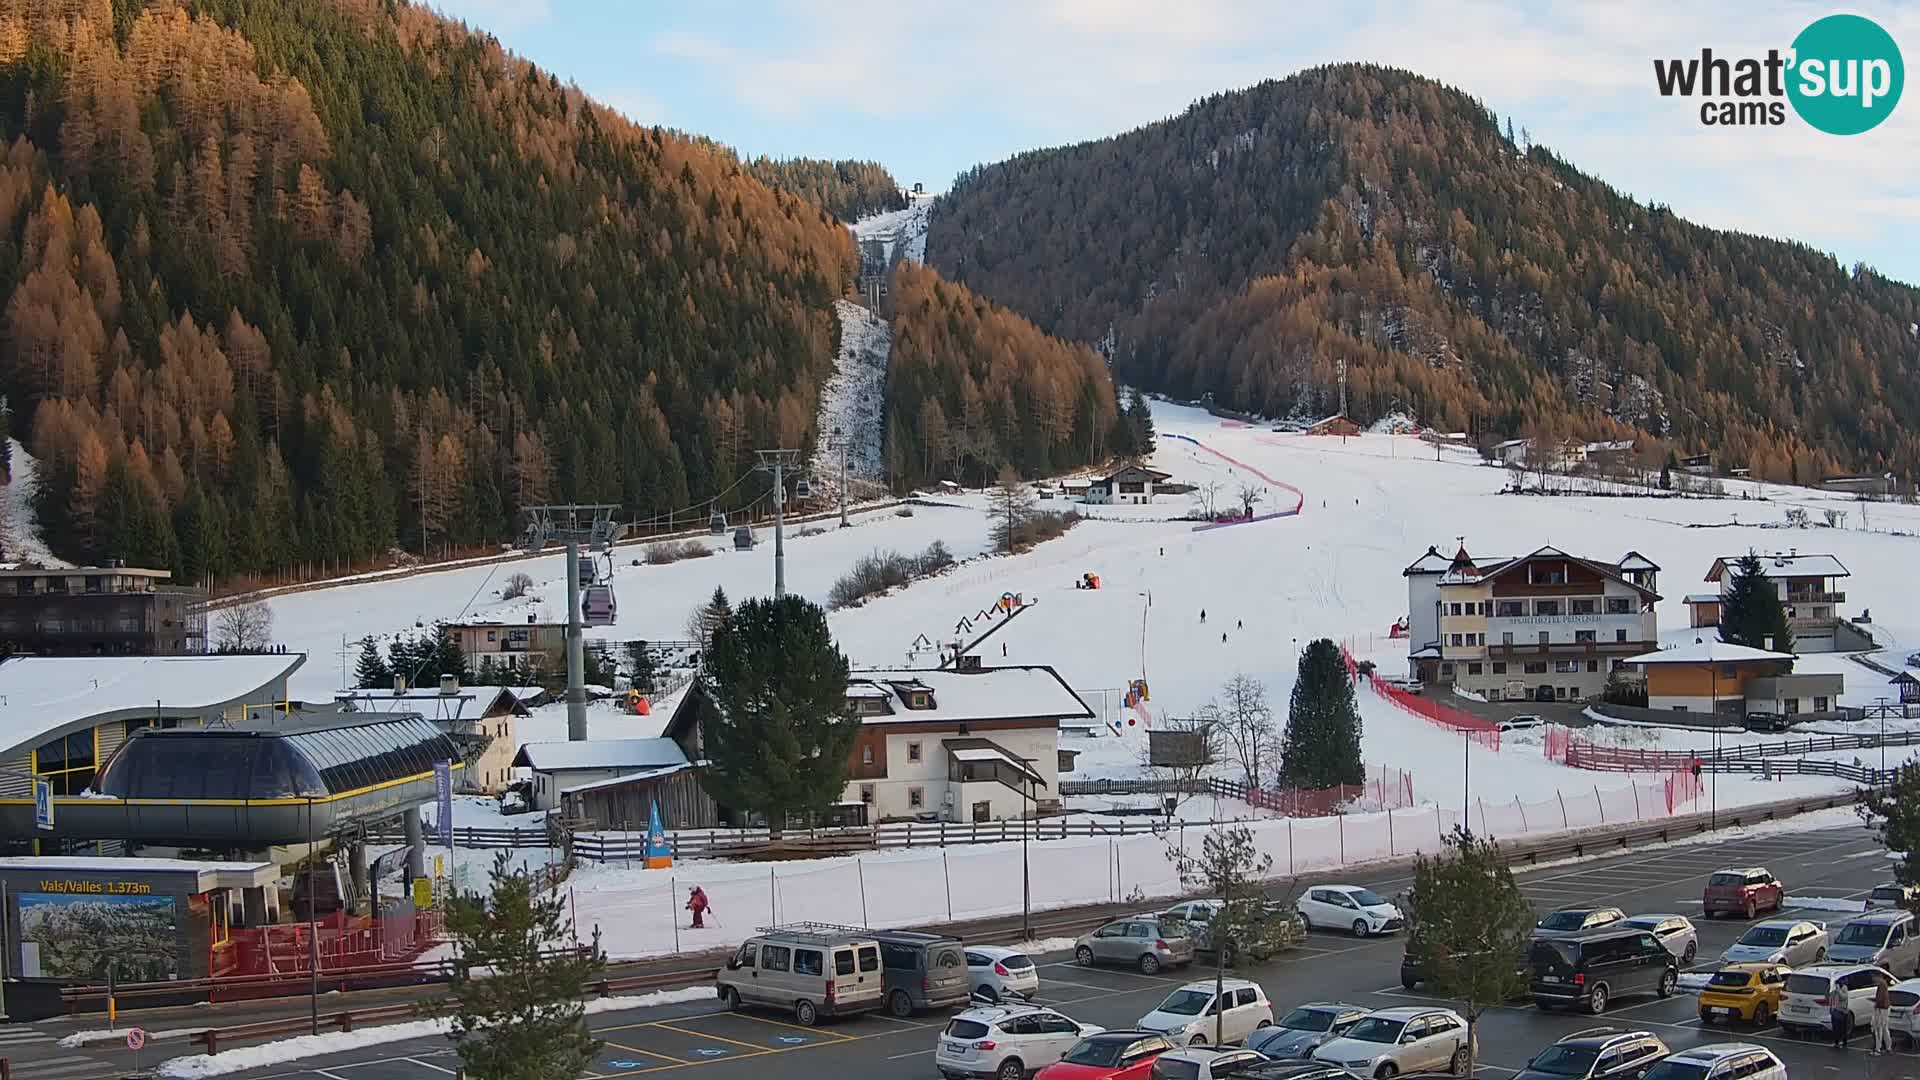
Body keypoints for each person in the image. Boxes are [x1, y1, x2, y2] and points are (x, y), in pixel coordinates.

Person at [1875, 974, 1893, 1053]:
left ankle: (1878, 1048)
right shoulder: (1884, 983)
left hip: (1882, 1008)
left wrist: (1876, 1005)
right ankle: (1888, 1047)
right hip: (1885, 1008)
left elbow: (1880, 997)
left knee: (1879, 1028)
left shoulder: (1881, 984)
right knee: (1885, 1028)